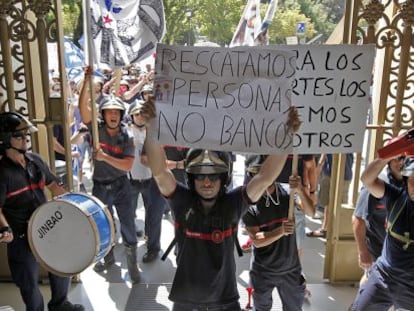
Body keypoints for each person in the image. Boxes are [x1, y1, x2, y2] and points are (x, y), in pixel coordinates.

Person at [142, 94, 301, 310]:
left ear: (224, 178)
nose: (207, 182)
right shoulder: (181, 201)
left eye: (213, 175)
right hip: (186, 301)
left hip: (225, 301)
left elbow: (264, 178)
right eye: (200, 175)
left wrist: (287, 136)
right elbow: (160, 172)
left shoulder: (233, 204)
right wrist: (151, 127)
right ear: (191, 178)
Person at [0, 112, 84, 311]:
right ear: (4, 140)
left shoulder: (35, 160)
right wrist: (5, 229)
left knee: (62, 265)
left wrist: (72, 204)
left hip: (47, 225)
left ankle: (60, 304)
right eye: (18, 136)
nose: (25, 140)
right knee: (28, 283)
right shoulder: (2, 173)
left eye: (26, 135)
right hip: (20, 235)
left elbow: (53, 185)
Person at [78, 67, 140, 283]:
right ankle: (108, 257)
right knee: (104, 224)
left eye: (116, 111)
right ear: (103, 114)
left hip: (122, 185)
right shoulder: (96, 128)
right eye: (109, 111)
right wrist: (87, 81)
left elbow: (128, 165)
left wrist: (105, 158)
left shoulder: (127, 135)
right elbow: (83, 108)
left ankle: (133, 265)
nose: (113, 115)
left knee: (128, 223)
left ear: (121, 115)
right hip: (100, 185)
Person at [242, 155, 314, 310]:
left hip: (291, 270)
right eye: (256, 173)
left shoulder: (287, 192)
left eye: (265, 173)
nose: (261, 178)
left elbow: (311, 211)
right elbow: (257, 239)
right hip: (263, 271)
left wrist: (301, 189)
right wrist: (281, 231)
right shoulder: (248, 203)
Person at [351, 156, 414, 310]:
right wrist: (389, 153)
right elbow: (367, 179)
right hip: (384, 277)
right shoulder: (396, 197)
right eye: (412, 179)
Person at [352, 155, 405, 285]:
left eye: (406, 158)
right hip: (377, 248)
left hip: (400, 250)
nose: (402, 162)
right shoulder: (377, 183)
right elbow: (358, 218)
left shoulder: (409, 183)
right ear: (389, 161)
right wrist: (362, 251)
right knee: (371, 282)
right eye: (398, 158)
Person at [128, 100, 165, 263]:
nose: (140, 117)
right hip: (132, 180)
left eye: (143, 114)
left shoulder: (156, 132)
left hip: (152, 180)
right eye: (137, 114)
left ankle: (153, 247)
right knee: (129, 213)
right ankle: (130, 244)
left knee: (154, 216)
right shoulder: (126, 132)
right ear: (131, 116)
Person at [307, 153, 354, 238]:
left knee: (335, 203)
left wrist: (320, 165)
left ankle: (330, 230)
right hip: (333, 171)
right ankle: (326, 229)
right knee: (329, 203)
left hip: (340, 172)